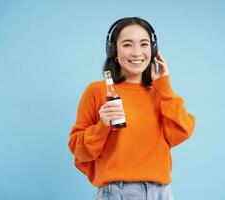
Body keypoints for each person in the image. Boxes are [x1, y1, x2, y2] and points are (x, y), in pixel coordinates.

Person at [68, 17, 195, 200]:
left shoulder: (162, 94)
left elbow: (182, 131)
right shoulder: (97, 91)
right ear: (113, 50)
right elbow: (79, 151)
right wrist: (103, 126)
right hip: (118, 192)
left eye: (144, 44)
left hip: (161, 193)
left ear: (153, 49)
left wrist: (164, 85)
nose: (137, 53)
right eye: (127, 45)